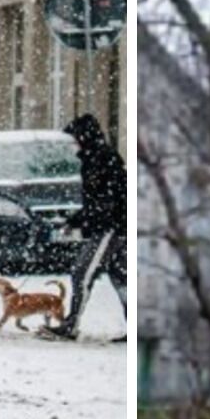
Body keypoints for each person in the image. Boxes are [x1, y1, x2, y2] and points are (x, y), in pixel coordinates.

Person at [40, 114, 125, 342]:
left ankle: (71, 326)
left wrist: (84, 220)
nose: (73, 143)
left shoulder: (101, 160)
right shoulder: (93, 160)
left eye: (75, 137)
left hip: (110, 228)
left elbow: (106, 202)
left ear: (84, 137)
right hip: (110, 226)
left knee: (81, 273)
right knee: (120, 277)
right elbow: (97, 202)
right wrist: (74, 220)